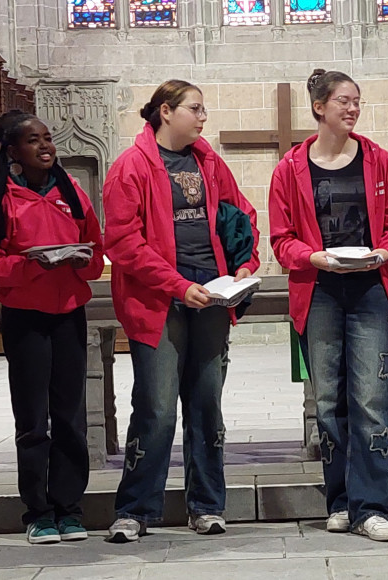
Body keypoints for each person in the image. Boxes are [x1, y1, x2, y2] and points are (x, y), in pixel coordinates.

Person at [103, 79, 260, 542]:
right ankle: (135, 510)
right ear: (166, 111)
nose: (203, 116)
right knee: (156, 408)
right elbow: (123, 242)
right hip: (158, 300)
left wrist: (244, 265)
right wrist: (177, 284)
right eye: (196, 108)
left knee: (206, 404)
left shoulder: (208, 161)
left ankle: (207, 505)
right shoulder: (130, 166)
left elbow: (240, 214)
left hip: (210, 295)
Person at [269, 69, 388, 542]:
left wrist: (384, 252)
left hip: (369, 288)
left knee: (371, 398)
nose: (352, 108)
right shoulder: (290, 169)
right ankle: (340, 501)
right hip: (319, 290)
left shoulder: (380, 161)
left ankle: (372, 507)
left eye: (357, 101)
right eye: (344, 100)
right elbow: (281, 239)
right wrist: (313, 256)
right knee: (329, 403)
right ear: (319, 107)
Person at [0, 111, 105, 543]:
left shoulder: (72, 193)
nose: (45, 146)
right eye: (34, 141)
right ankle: (38, 512)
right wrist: (29, 263)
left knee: (70, 416)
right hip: (25, 318)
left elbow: (96, 254)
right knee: (34, 419)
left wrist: (80, 258)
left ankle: (69, 509)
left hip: (68, 312)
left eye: (48, 138)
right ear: (14, 151)